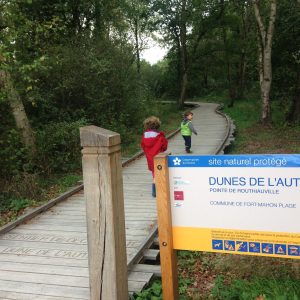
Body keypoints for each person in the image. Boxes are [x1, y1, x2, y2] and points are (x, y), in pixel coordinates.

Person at [141, 116, 168, 197]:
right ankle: (155, 191)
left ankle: (155, 190)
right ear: (158, 126)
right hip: (158, 157)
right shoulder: (160, 136)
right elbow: (164, 147)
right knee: (158, 173)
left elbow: (143, 146)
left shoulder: (144, 136)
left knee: (154, 172)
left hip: (149, 157)